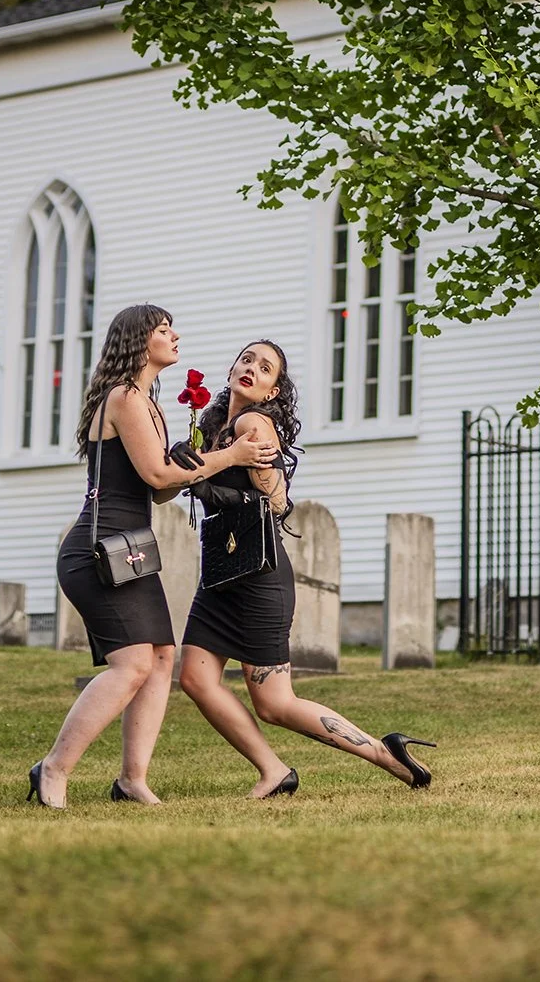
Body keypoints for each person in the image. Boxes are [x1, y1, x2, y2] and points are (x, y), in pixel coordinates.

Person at [29, 304, 276, 809]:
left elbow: (160, 489)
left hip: (134, 549)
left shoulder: (150, 403)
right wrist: (228, 457)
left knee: (162, 658)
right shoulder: (123, 399)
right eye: (164, 330)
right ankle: (53, 769)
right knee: (133, 665)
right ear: (141, 340)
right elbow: (160, 478)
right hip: (99, 550)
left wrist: (192, 460)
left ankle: (131, 780)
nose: (175, 335)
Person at [173, 339, 437, 797]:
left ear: (274, 391)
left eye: (266, 368)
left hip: (257, 577)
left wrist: (210, 485)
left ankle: (383, 752)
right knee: (196, 679)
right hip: (221, 575)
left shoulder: (253, 423)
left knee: (275, 704)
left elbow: (276, 502)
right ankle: (274, 772)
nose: (252, 368)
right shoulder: (214, 424)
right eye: (247, 359)